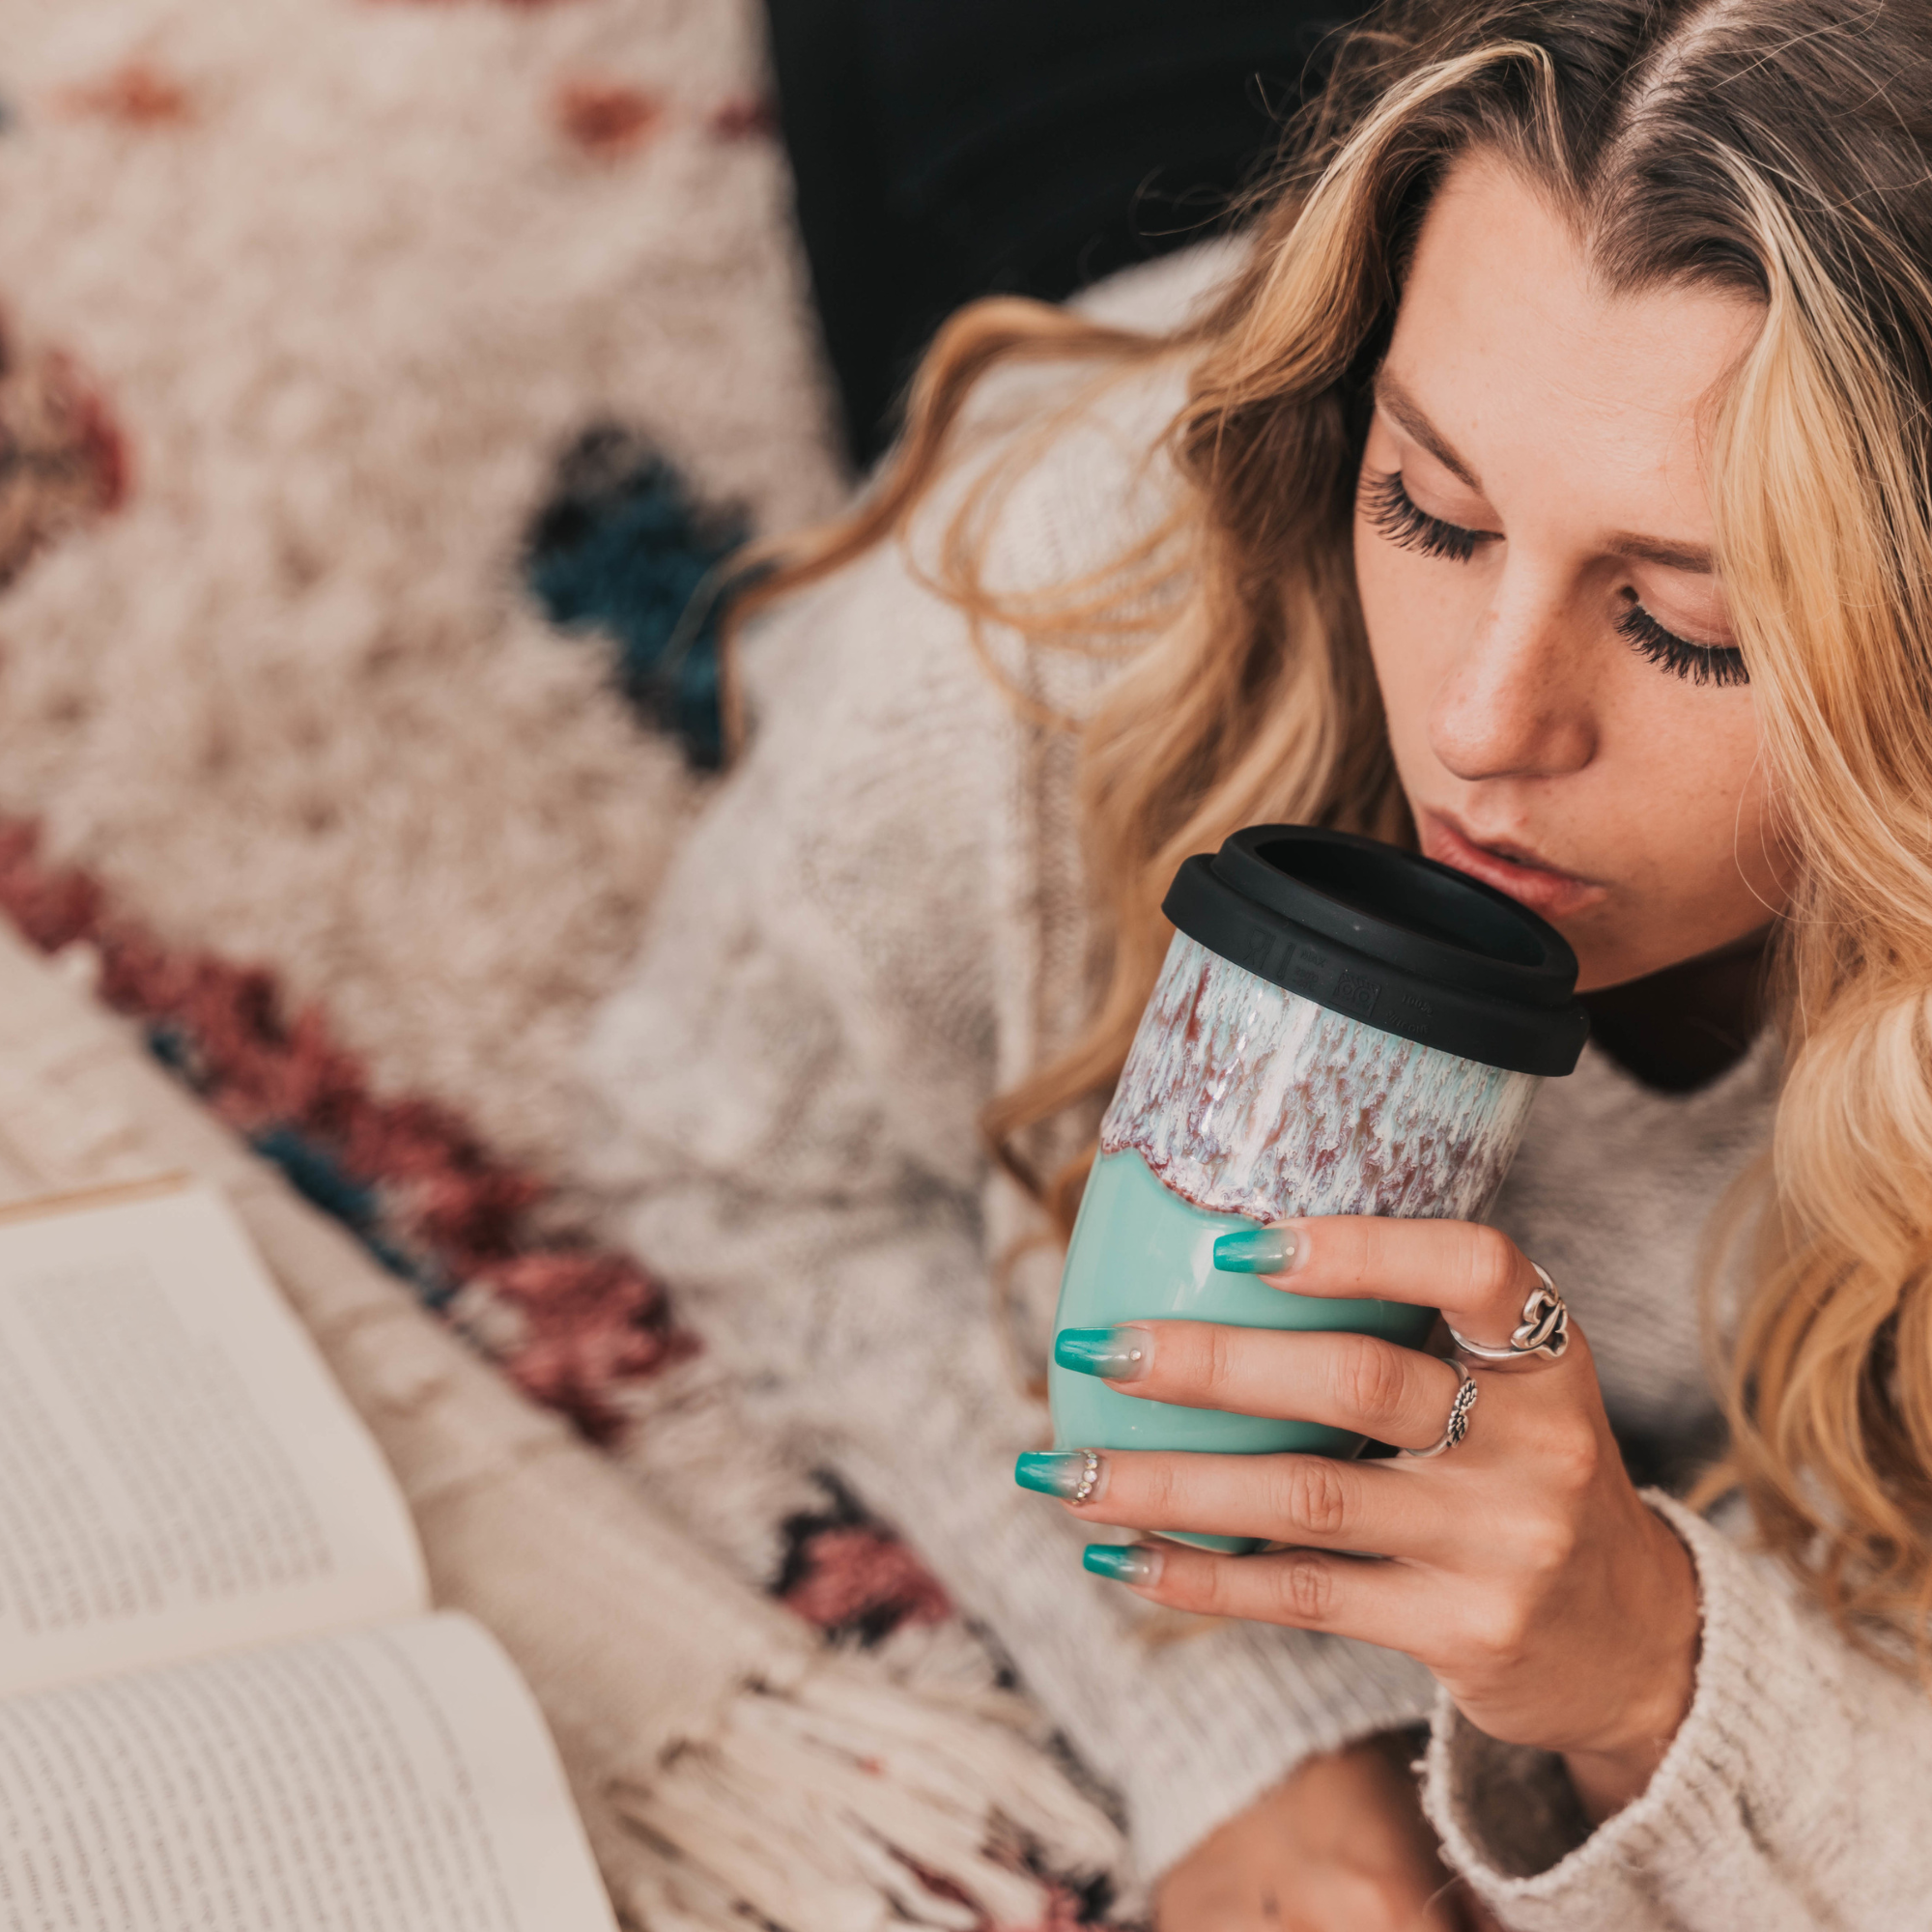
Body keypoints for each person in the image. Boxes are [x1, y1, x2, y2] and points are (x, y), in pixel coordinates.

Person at [578, 3, 1932, 1926]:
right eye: (1430, 509)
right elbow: (715, 1136)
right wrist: (1250, 1709)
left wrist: (1651, 1672)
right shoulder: (1064, 610)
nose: (1480, 722)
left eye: (1691, 629)